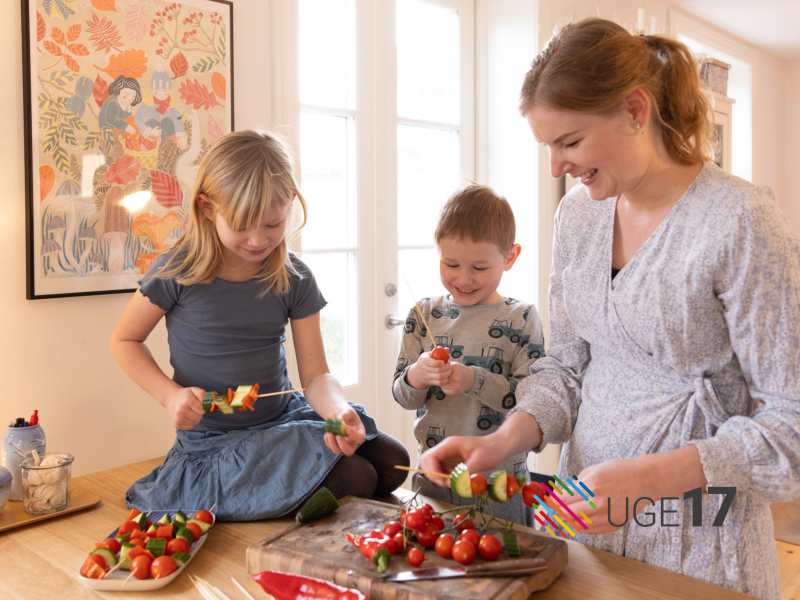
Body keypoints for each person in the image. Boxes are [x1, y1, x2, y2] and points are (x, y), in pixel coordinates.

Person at [420, 18, 800, 600]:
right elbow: (565, 369)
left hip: (699, 532)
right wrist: (503, 442)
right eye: (548, 146)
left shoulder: (740, 221)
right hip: (586, 519)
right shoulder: (577, 217)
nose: (556, 166)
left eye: (569, 142)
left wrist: (647, 481)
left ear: (635, 110)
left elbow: (791, 424)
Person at [110, 129, 409, 521]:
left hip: (282, 418)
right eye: (242, 225)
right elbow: (124, 340)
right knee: (357, 477)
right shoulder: (176, 272)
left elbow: (316, 376)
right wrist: (169, 396)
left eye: (272, 224)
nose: (257, 239)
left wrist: (337, 410)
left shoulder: (294, 278)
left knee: (394, 464)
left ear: (289, 204)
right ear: (207, 207)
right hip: (214, 441)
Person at [393, 184, 545, 526]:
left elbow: (531, 402)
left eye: (478, 268)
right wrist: (417, 374)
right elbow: (402, 395)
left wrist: (472, 380)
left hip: (498, 484)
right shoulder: (423, 314)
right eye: (451, 264)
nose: (463, 278)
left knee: (503, 562)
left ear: (510, 257)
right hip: (433, 477)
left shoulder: (521, 317)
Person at [134, 71, 189, 151]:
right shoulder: (146, 105)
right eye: (157, 91)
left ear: (169, 92)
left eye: (165, 91)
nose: (161, 94)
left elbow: (178, 123)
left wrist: (182, 136)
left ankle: (171, 150)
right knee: (153, 122)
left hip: (167, 142)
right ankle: (151, 149)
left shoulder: (171, 108)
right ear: (152, 90)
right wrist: (149, 131)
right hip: (151, 141)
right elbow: (137, 120)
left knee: (167, 121)